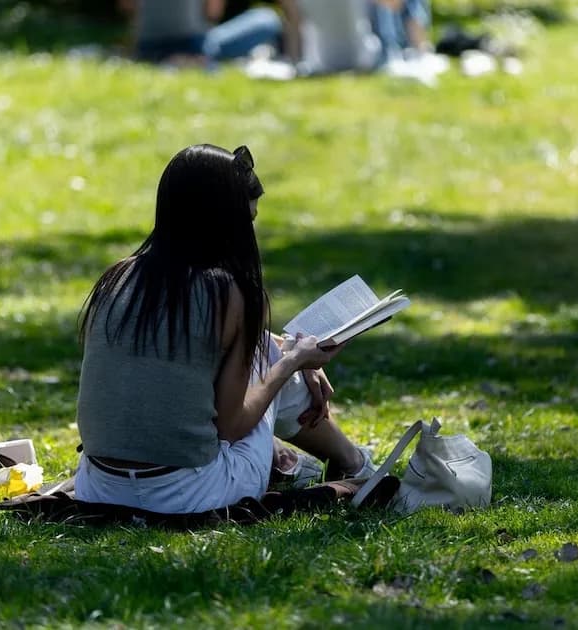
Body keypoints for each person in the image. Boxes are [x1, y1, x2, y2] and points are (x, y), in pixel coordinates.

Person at [74, 144, 376, 514]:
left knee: (267, 348)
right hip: (186, 494)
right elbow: (233, 426)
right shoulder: (228, 293)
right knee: (273, 360)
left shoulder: (117, 276)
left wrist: (286, 351)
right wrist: (292, 362)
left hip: (97, 486)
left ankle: (313, 459)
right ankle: (353, 463)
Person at [118, 0, 298, 65]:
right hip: (193, 46)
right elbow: (212, 13)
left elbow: (127, 7)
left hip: (146, 46)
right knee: (267, 18)